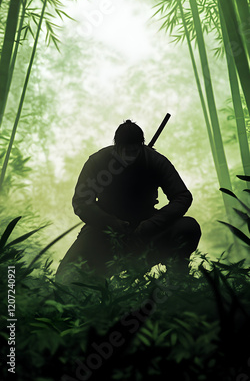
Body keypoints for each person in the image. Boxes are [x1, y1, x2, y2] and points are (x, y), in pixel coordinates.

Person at [55, 120, 201, 282]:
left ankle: (177, 278)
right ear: (116, 146)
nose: (129, 155)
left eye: (134, 150)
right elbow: (81, 201)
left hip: (147, 230)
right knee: (65, 277)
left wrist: (151, 225)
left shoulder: (155, 160)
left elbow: (182, 196)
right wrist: (112, 223)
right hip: (104, 230)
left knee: (188, 227)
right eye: (124, 150)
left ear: (141, 146)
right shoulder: (98, 161)